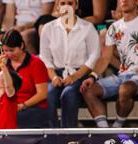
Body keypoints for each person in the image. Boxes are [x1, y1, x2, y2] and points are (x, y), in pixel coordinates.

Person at [80, 0, 138, 128]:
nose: (123, 1)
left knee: (125, 89)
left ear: (137, 1)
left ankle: (117, 127)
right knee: (88, 89)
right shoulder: (114, 27)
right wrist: (92, 77)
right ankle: (104, 130)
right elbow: (104, 59)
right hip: (122, 76)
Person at [40, 0, 101, 128]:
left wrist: (75, 76)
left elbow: (93, 56)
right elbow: (45, 58)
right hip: (56, 74)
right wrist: (53, 77)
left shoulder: (87, 27)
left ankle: (68, 134)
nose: (66, 7)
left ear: (76, 5)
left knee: (68, 94)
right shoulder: (48, 28)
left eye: (70, 3)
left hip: (80, 73)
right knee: (49, 95)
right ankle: (53, 133)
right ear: (57, 5)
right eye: (62, 3)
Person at [0, 29, 49, 128]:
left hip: (33, 108)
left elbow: (42, 94)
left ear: (21, 46)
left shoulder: (36, 63)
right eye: (5, 51)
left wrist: (22, 106)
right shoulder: (2, 64)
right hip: (9, 107)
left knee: (9, 119)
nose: (8, 54)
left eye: (11, 50)